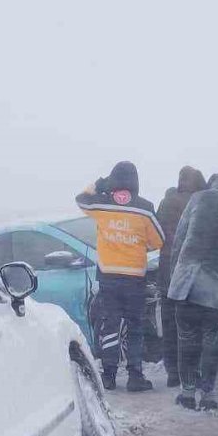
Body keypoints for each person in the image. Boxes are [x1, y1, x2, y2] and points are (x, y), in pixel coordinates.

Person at [76, 161, 163, 392]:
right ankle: (135, 376)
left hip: (108, 277)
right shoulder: (145, 208)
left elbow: (81, 199)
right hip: (135, 277)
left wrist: (99, 183)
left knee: (110, 326)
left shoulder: (102, 204)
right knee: (135, 326)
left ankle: (109, 376)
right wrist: (137, 244)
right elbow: (158, 240)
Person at [167, 172, 218, 411]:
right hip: (215, 287)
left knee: (186, 339)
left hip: (187, 284)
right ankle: (208, 395)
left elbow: (179, 241)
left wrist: (175, 277)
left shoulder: (198, 198)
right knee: (211, 340)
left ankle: (187, 393)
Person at [156, 166, 207, 387]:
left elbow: (157, 234)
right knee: (192, 326)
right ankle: (191, 371)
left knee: (169, 325)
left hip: (168, 273)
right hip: (192, 274)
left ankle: (172, 373)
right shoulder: (202, 202)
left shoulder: (167, 202)